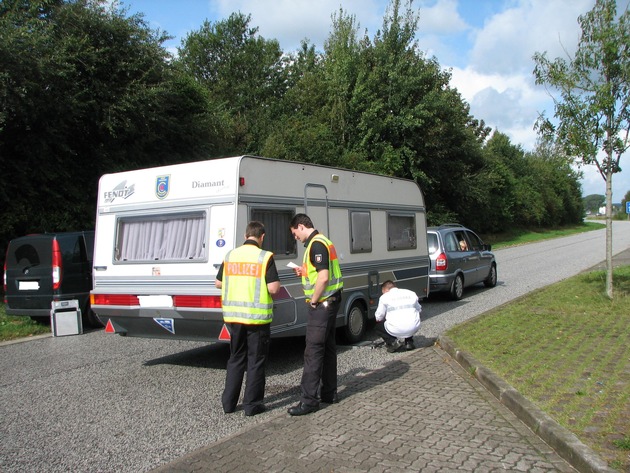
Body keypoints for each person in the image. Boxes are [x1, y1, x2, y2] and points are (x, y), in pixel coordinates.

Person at [215, 221, 281, 417]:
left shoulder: (230, 256)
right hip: (257, 320)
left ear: (245, 236)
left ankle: (228, 404)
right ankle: (252, 405)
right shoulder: (265, 257)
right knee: (255, 361)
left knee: (235, 358)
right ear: (262, 237)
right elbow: (273, 288)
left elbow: (218, 283)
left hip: (233, 317)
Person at [287, 213, 343, 416]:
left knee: (313, 351)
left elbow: (323, 277)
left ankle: (309, 401)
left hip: (322, 303)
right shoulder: (324, 241)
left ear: (301, 226)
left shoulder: (316, 244)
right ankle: (329, 393)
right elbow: (320, 271)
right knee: (327, 348)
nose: (296, 238)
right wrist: (304, 272)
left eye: (295, 234)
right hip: (331, 301)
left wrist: (313, 301)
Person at [374, 280, 422, 353]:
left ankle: (393, 342)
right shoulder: (411, 293)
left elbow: (379, 317)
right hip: (414, 326)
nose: (382, 293)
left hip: (395, 328)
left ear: (385, 289)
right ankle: (409, 342)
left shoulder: (384, 297)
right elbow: (419, 309)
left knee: (378, 327)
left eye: (382, 292)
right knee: (408, 317)